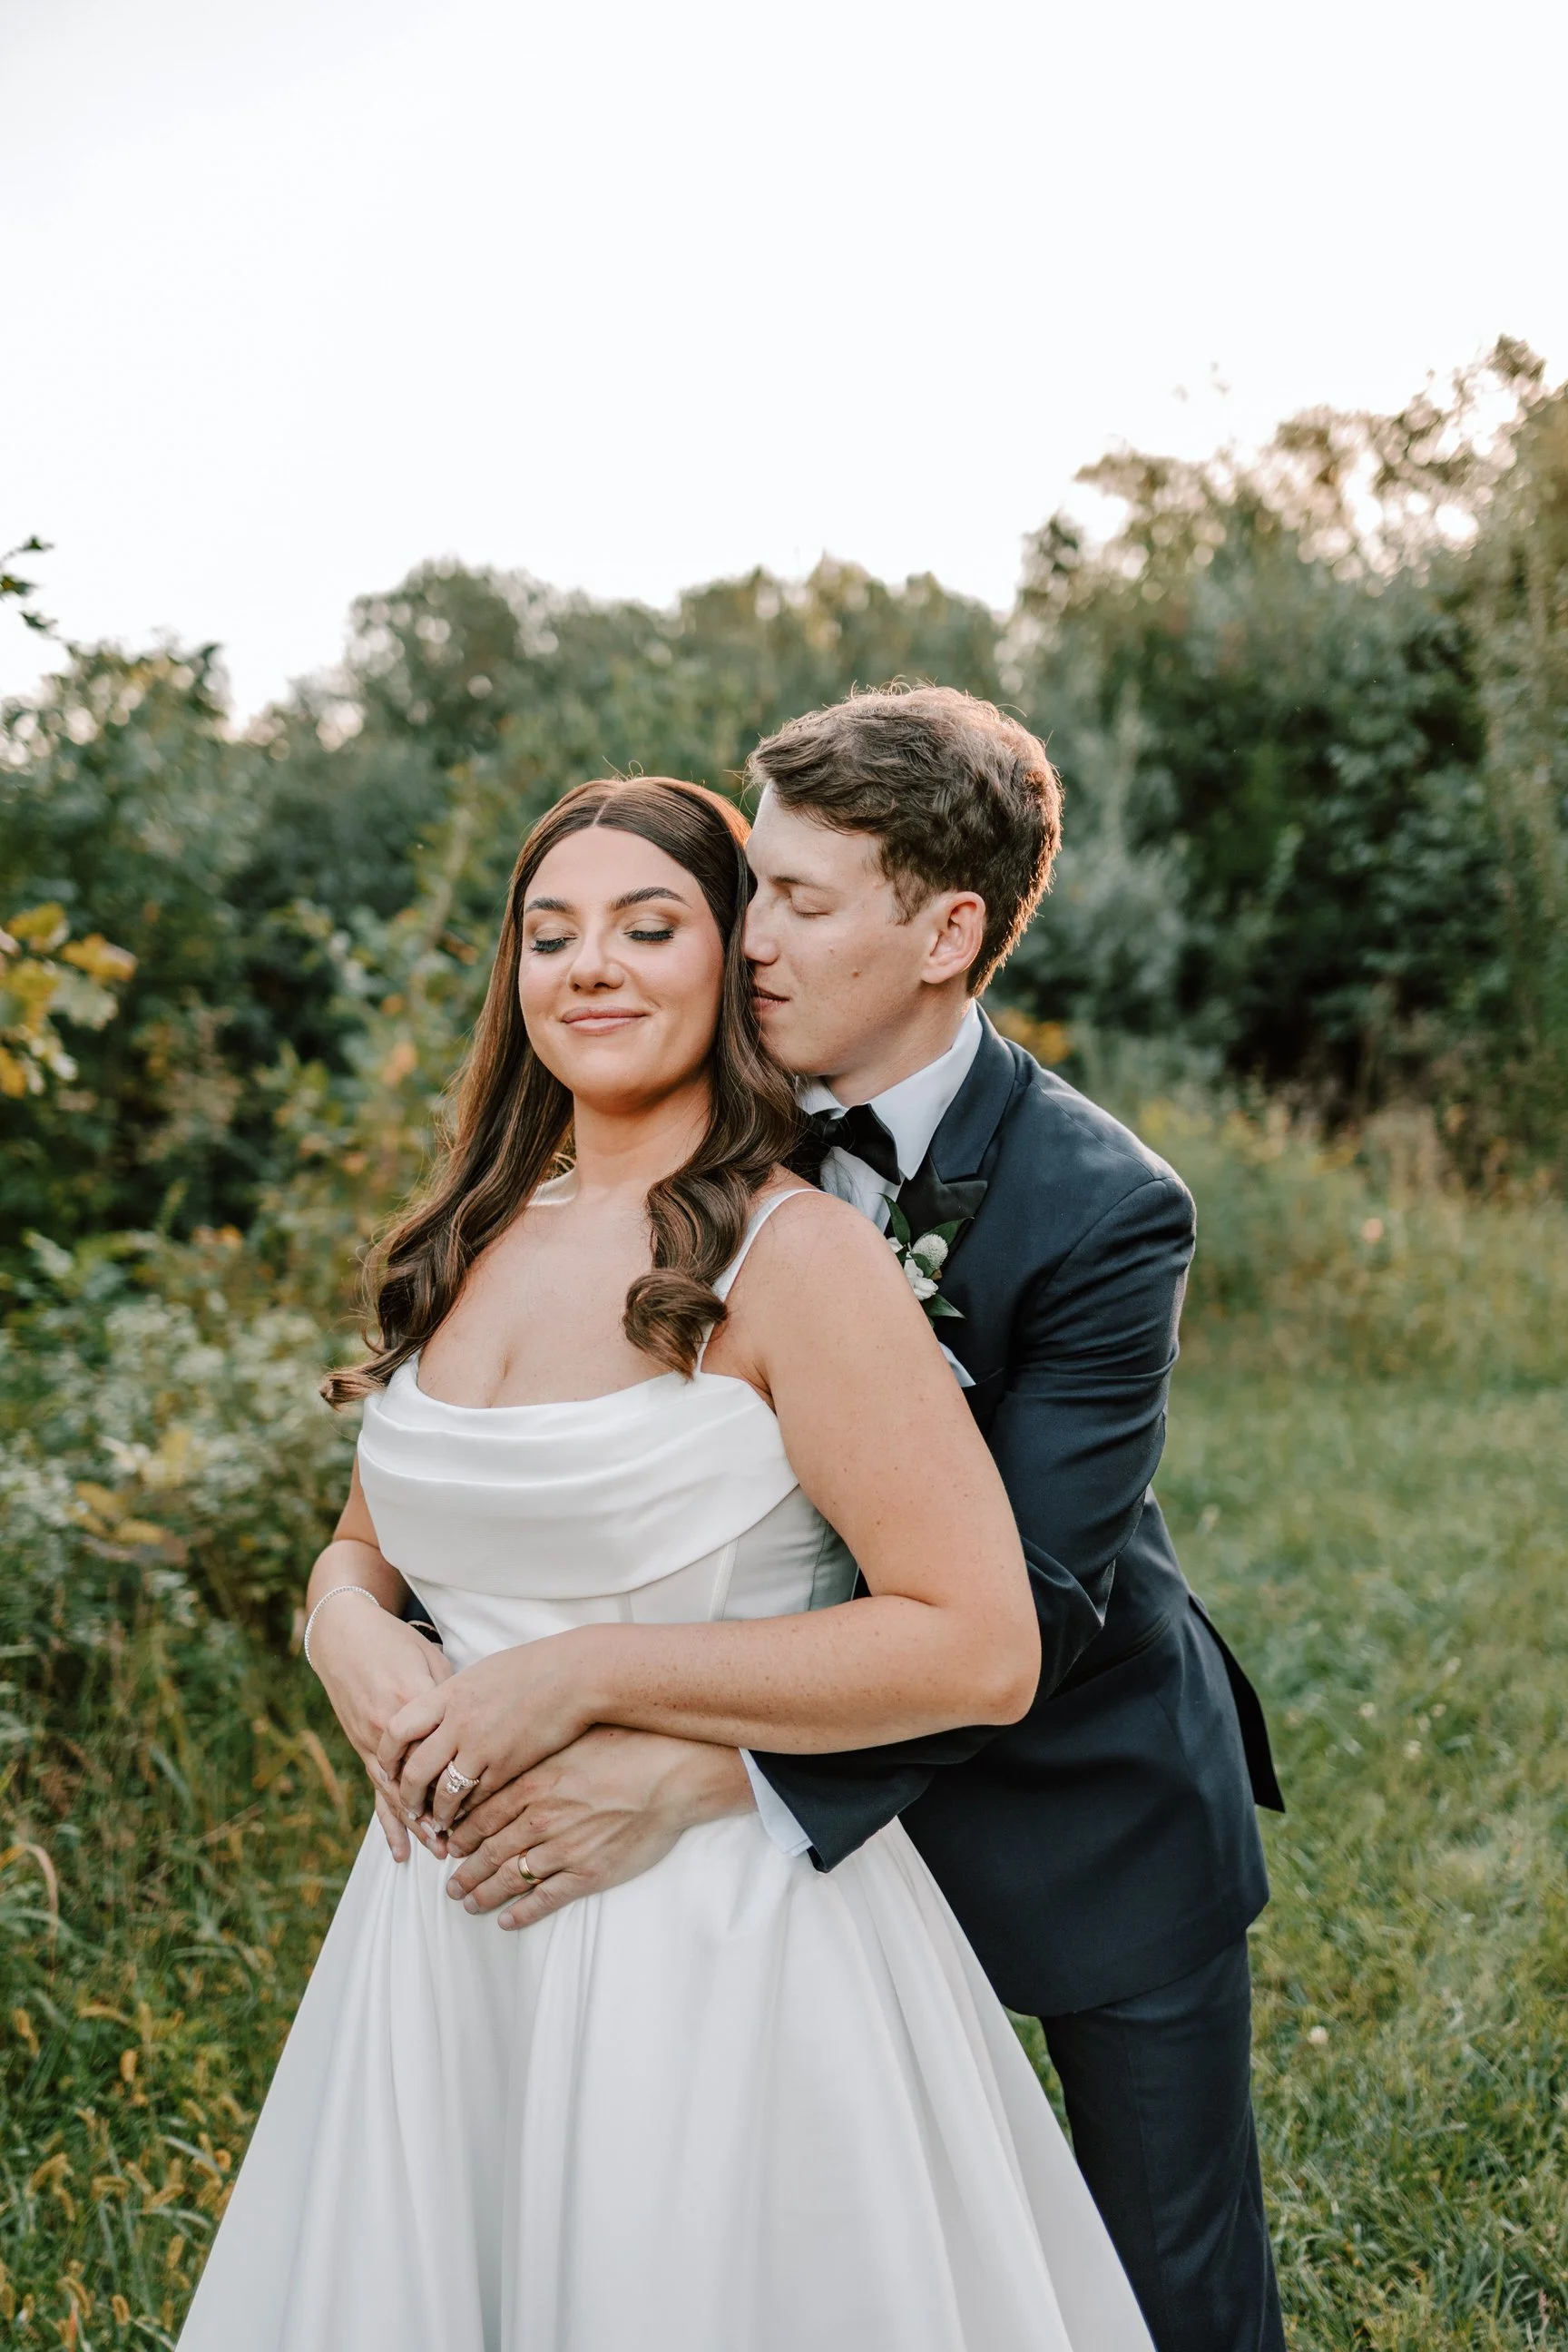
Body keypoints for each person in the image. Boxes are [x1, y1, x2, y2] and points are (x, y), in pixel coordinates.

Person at [178, 774, 1154, 2352]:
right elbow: (374, 1546)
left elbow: (980, 1642)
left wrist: (578, 1677)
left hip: (713, 1938)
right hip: (442, 1939)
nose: (593, 966)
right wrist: (339, 1624)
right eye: (550, 934)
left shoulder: (798, 1255)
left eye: (650, 925)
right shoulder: (476, 1229)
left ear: (734, 959)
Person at [439, 691, 1289, 2352]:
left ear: (945, 932)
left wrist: (707, 1770)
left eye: (803, 904)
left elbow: (1028, 1612)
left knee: (1165, 2286)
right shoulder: (690, 1109)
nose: (749, 942)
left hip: (1078, 1799)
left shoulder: (1102, 1207)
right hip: (791, 1862)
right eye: (753, 888)